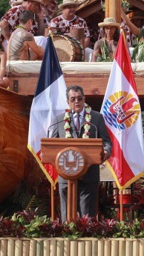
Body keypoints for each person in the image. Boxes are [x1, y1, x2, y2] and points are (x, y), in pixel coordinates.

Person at [50, 85, 112, 222]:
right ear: (68, 102)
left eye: (79, 98)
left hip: (88, 174)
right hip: (66, 175)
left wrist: (106, 151)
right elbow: (52, 145)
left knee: (87, 215)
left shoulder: (96, 118)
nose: (76, 102)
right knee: (66, 214)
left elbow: (106, 141)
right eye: (73, 99)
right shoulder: (59, 120)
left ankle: (87, 239)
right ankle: (67, 238)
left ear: (84, 99)